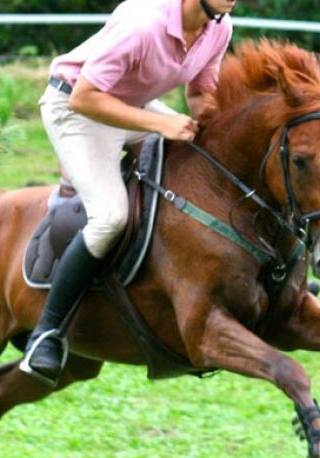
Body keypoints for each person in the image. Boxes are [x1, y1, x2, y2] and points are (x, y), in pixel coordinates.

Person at [19, 0, 237, 387]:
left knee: (207, 159)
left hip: (129, 106)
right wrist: (160, 123)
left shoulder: (219, 28)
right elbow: (84, 97)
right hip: (75, 110)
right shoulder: (142, 23)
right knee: (110, 218)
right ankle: (47, 334)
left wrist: (220, 133)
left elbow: (202, 95)